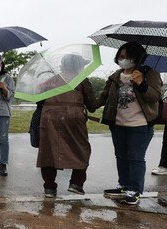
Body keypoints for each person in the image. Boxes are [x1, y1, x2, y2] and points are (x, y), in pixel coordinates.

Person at [96, 42, 163, 205]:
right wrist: (83, 103)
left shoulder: (150, 74)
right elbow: (103, 97)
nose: (123, 60)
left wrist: (141, 83)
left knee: (135, 157)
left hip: (140, 125)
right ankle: (124, 185)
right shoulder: (115, 76)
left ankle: (135, 190)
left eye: (127, 57)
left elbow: (155, 97)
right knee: (121, 156)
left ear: (137, 58)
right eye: (120, 56)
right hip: (118, 124)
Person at [36, 54, 98, 198]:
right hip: (74, 118)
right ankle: (76, 183)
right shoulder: (82, 80)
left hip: (49, 118)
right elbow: (92, 106)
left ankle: (49, 188)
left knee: (49, 152)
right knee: (81, 149)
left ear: (63, 65)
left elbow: (39, 101)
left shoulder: (50, 81)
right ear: (77, 66)